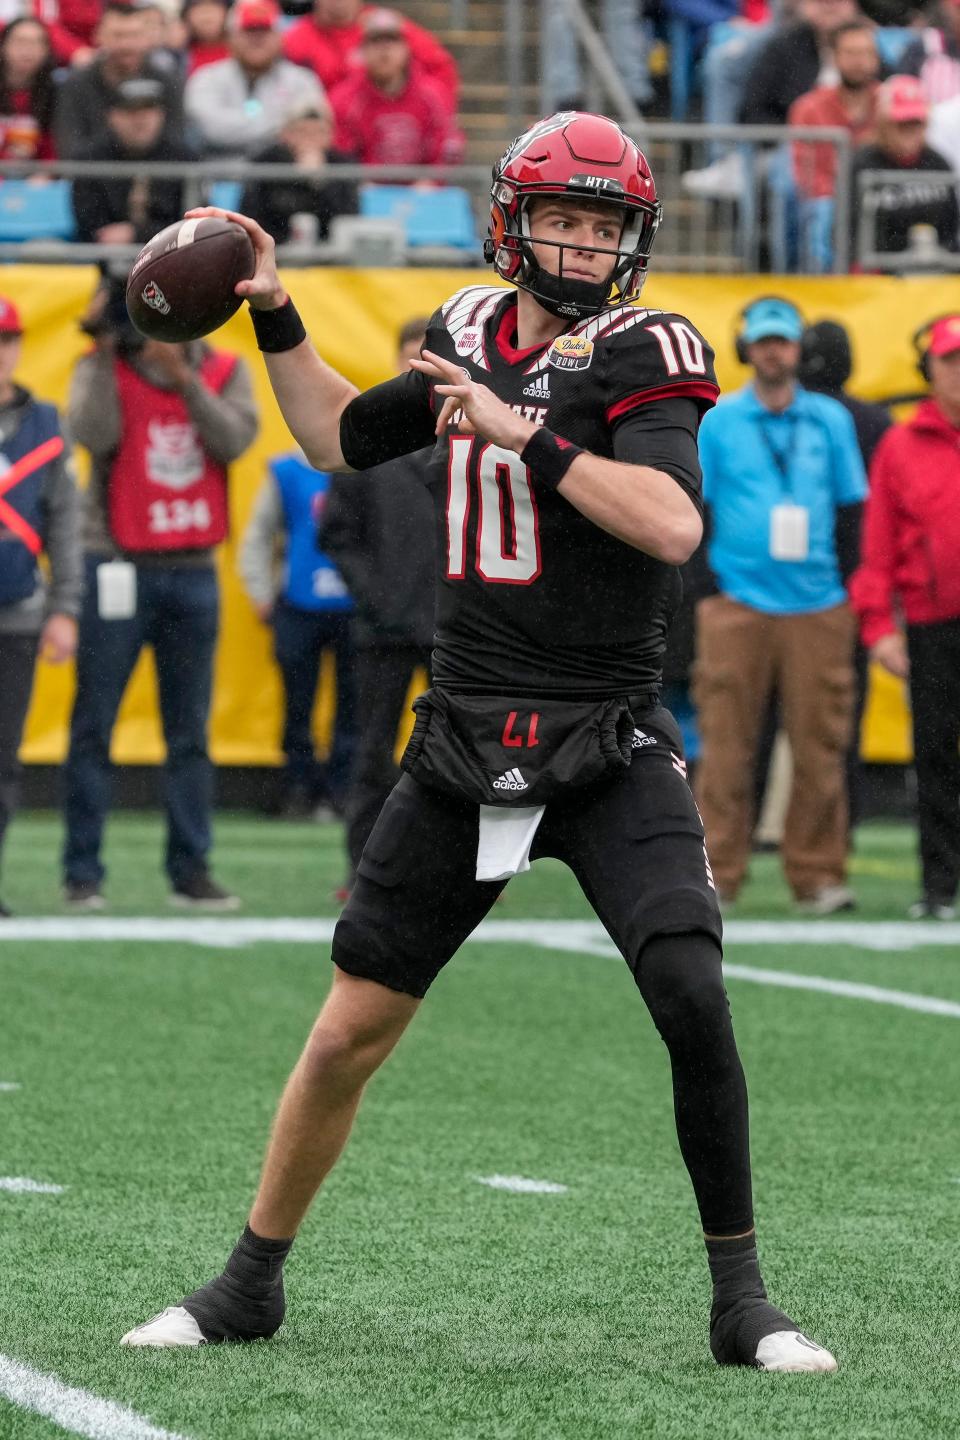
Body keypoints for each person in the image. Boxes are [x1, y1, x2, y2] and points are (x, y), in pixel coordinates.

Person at [121, 112, 838, 1374]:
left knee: (691, 991)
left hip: (608, 736)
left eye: (602, 223)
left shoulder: (647, 346)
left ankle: (743, 1300)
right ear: (513, 220)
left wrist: (533, 437)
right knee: (350, 1028)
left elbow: (672, 523)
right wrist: (275, 318)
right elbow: (334, 439)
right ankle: (248, 1283)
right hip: (465, 730)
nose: (578, 242)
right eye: (560, 217)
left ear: (634, 239)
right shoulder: (465, 331)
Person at [62, 277, 258, 911]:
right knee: (94, 724)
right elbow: (91, 436)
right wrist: (99, 349)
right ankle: (82, 871)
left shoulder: (226, 370)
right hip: (115, 561)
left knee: (189, 730)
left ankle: (191, 867)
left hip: (193, 568)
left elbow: (233, 442)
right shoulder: (101, 368)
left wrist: (185, 382)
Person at [693, 296, 866, 913]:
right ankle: (716, 875)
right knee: (726, 747)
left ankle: (817, 875)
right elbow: (697, 510)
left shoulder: (830, 421)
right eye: (763, 341)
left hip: (819, 604)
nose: (774, 351)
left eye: (784, 341)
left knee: (821, 746)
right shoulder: (718, 420)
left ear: (799, 348)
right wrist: (711, 594)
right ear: (747, 349)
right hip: (737, 601)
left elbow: (852, 511)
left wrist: (845, 591)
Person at [850, 314, 960, 919]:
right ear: (931, 370)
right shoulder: (901, 444)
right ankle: (939, 887)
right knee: (937, 755)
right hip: (932, 624)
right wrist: (879, 627)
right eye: (950, 361)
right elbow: (878, 548)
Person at [320, 315, 435, 881]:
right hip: (381, 628)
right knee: (371, 753)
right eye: (413, 360)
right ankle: (362, 868)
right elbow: (337, 534)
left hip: (458, 632)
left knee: (462, 759)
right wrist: (378, 598)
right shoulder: (366, 434)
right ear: (398, 364)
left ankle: (463, 872)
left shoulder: (483, 437)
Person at [0, 294, 82, 918]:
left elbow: (64, 525)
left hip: (18, 612)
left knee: (3, 759)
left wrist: (64, 608)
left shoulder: (44, 425)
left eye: (6, 340)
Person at [238, 448, 357, 820]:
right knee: (297, 706)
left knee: (353, 708)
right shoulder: (286, 472)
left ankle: (344, 791)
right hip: (297, 605)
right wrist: (260, 592)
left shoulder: (368, 467)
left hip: (356, 606)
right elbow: (258, 535)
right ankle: (298, 790)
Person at [185, 0, 328, 156]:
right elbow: (211, 129)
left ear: (280, 37)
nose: (257, 40)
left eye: (265, 31)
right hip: (219, 170)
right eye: (249, 31)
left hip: (280, 173)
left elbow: (312, 130)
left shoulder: (302, 80)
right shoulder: (206, 78)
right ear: (231, 36)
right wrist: (282, 124)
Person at [329, 7, 464, 167]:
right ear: (362, 50)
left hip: (424, 188)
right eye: (375, 41)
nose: (384, 49)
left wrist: (431, 183)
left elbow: (449, 145)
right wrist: (360, 185)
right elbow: (341, 154)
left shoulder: (434, 93)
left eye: (392, 40)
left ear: (406, 48)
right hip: (365, 188)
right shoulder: (344, 98)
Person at [70, 77, 197, 245]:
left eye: (148, 111)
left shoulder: (184, 158)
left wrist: (137, 234)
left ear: (162, 115)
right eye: (130, 111)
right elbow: (88, 226)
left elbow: (196, 224)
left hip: (172, 257)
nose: (140, 120)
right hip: (105, 259)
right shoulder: (90, 159)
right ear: (111, 115)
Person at [54, 1, 186, 158]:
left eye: (133, 35)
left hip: (155, 178)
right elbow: (70, 147)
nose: (126, 44)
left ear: (147, 38)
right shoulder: (77, 84)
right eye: (118, 35)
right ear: (99, 36)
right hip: (96, 179)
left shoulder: (167, 82)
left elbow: (178, 146)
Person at [851, 75, 959, 263]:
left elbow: (952, 229)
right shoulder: (864, 164)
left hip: (937, 274)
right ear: (884, 123)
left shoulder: (937, 163)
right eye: (902, 123)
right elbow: (849, 231)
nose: (910, 130)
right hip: (878, 276)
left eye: (916, 122)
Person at [282, 0, 458, 114]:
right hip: (322, 139)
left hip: (387, 131)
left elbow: (440, 66)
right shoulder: (296, 39)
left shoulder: (385, 26)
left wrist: (431, 116)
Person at [238, 100, 356, 244]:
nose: (310, 139)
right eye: (302, 131)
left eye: (319, 132)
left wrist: (319, 182)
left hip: (328, 256)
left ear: (330, 136)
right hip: (276, 250)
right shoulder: (265, 163)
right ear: (285, 134)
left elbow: (348, 221)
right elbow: (251, 217)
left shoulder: (343, 165)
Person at [0, 16, 57, 162]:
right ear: (3, 45)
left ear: (47, 50)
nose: (28, 50)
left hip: (38, 180)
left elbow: (57, 149)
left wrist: (45, 173)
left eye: (37, 43)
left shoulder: (57, 92)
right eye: (20, 41)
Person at [181, 0, 231, 76]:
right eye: (198, 6)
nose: (206, 13)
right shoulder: (174, 57)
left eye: (214, 5)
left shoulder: (244, 53)